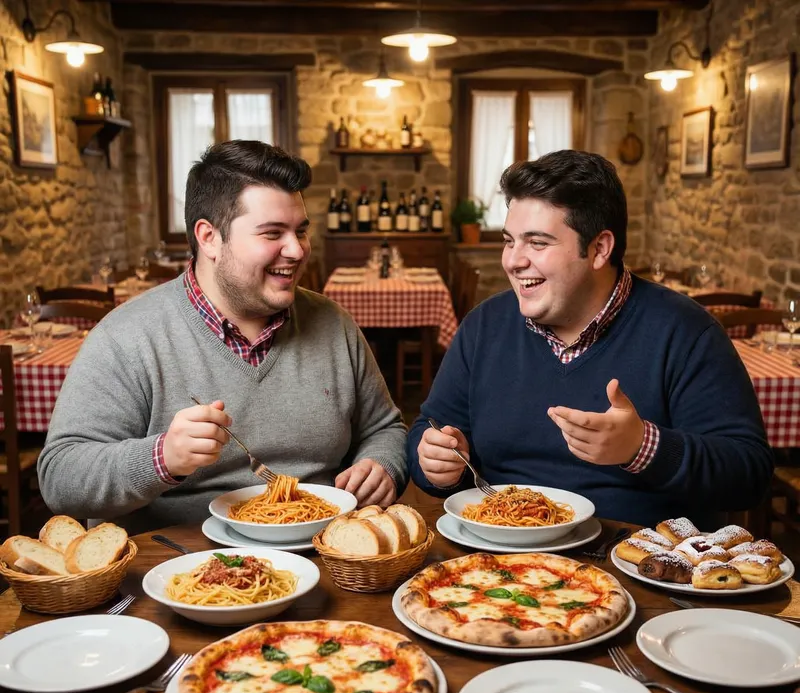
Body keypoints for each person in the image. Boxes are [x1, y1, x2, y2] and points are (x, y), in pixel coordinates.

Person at [39, 140, 407, 533]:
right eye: (272, 233)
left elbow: (385, 428)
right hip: (175, 566)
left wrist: (382, 465)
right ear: (209, 237)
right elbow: (60, 478)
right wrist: (161, 457)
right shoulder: (126, 337)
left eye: (301, 231)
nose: (297, 250)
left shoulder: (333, 323)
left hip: (321, 552)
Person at [408, 150, 773, 531]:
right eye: (509, 240)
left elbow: (749, 477)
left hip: (636, 564)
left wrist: (643, 447)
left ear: (599, 249)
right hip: (498, 557)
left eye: (537, 243)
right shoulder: (483, 326)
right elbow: (427, 430)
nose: (513, 261)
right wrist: (434, 464)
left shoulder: (685, 331)